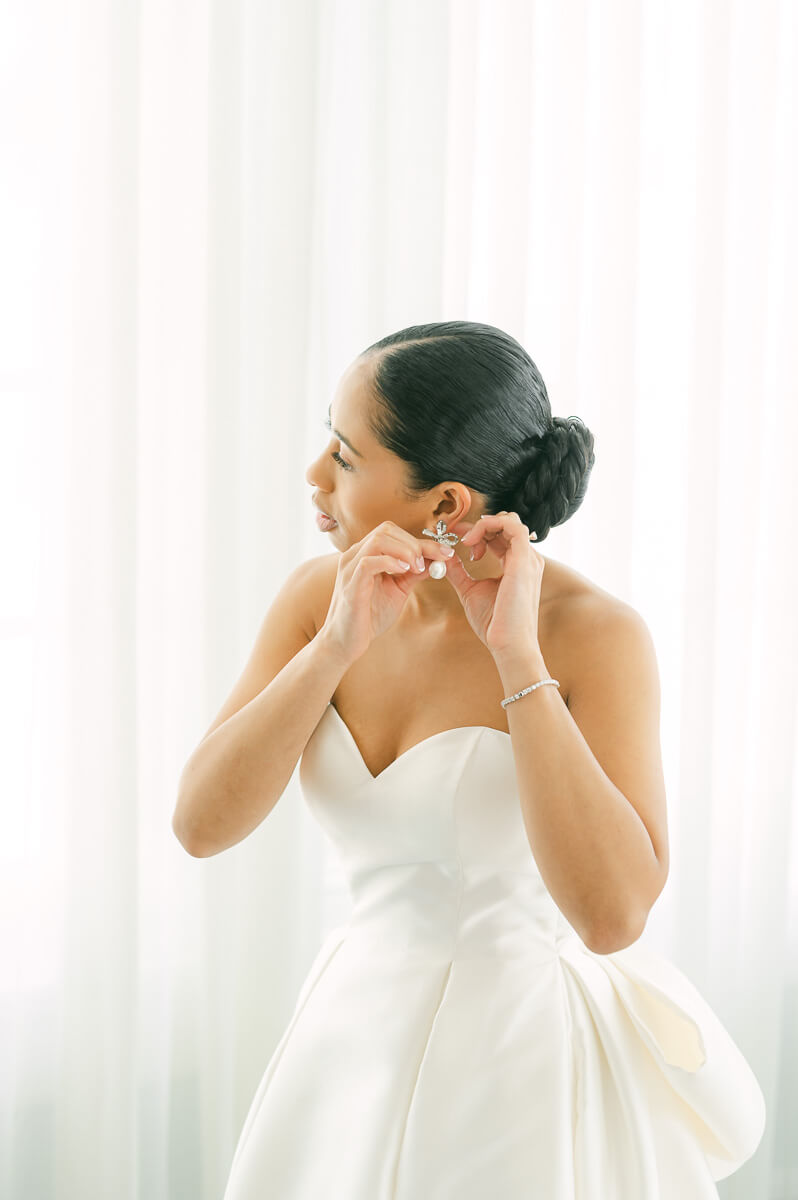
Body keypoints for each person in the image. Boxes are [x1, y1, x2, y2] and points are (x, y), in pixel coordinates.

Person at [174, 320, 766, 1197]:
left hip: (518, 1062)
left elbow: (612, 919)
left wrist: (518, 661)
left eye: (343, 454)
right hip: (349, 1042)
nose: (313, 477)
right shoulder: (315, 599)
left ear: (444, 504)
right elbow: (201, 826)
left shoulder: (595, 635)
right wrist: (334, 647)